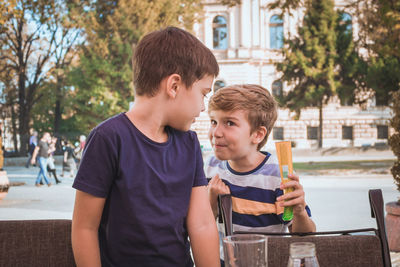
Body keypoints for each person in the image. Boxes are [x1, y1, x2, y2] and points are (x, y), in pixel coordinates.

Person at [71, 26, 220, 267]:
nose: (203, 108)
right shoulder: (107, 138)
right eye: (203, 94)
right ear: (174, 86)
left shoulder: (189, 143)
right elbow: (84, 228)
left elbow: (201, 223)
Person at [205, 84, 316, 265]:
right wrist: (211, 198)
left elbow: (306, 236)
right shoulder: (211, 166)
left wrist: (299, 211)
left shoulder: (277, 177)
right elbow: (203, 223)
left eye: (230, 123)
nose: (216, 132)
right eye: (213, 122)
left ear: (257, 134)